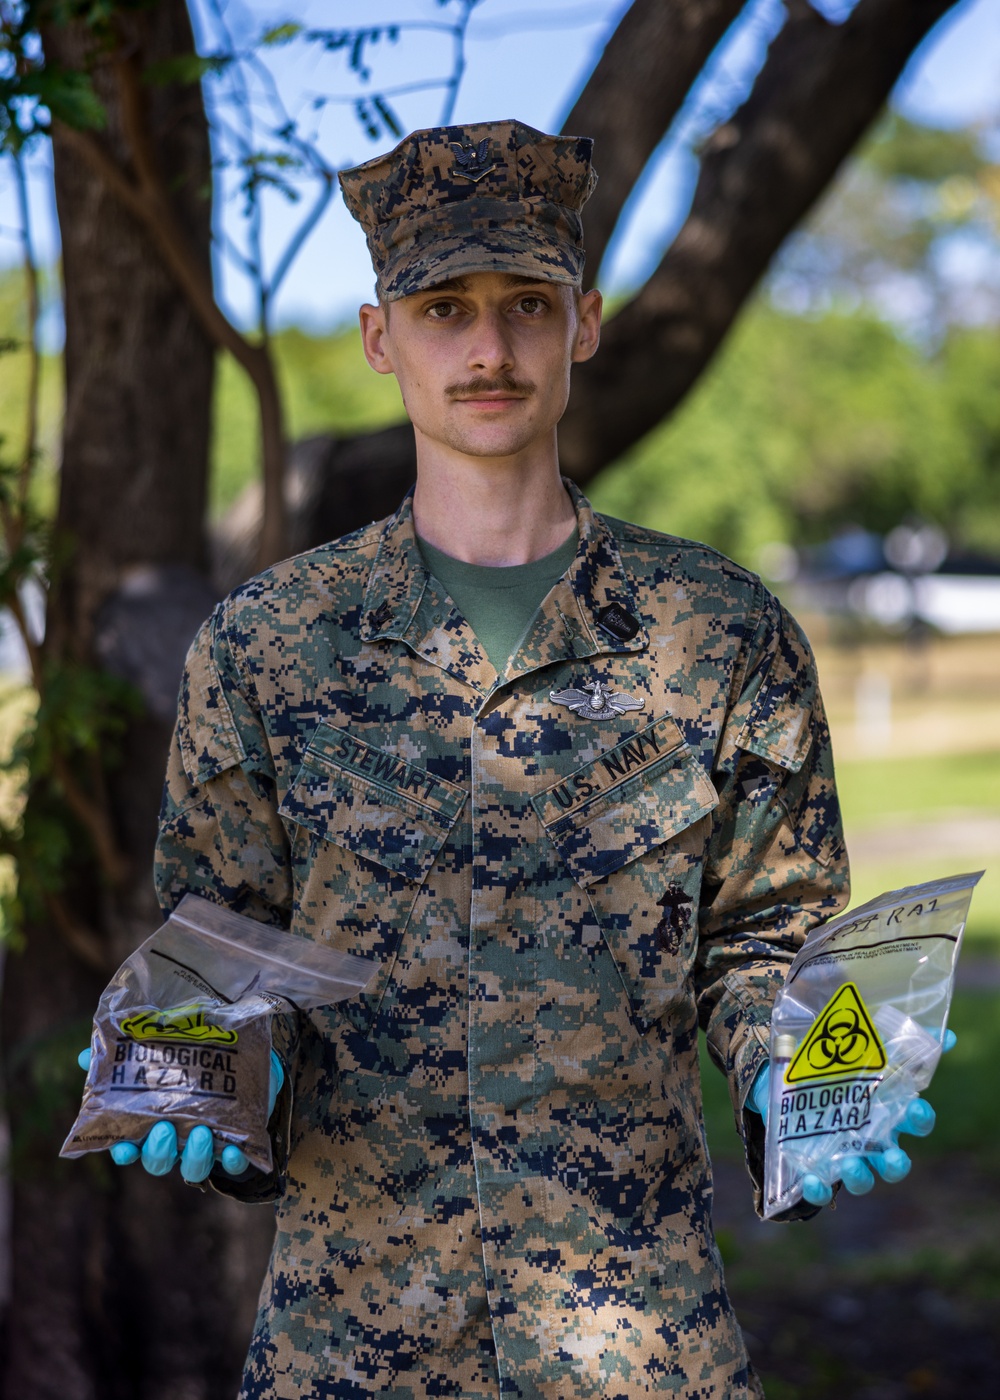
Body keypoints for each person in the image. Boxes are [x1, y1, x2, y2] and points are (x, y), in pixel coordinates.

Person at [129, 121, 934, 1398]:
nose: (489, 348)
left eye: (526, 305)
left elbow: (765, 938)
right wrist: (214, 1071)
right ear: (380, 338)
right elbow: (218, 940)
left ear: (586, 323)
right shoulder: (267, 645)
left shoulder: (719, 632)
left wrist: (803, 1066)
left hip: (638, 1343)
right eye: (443, 308)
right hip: (349, 1345)